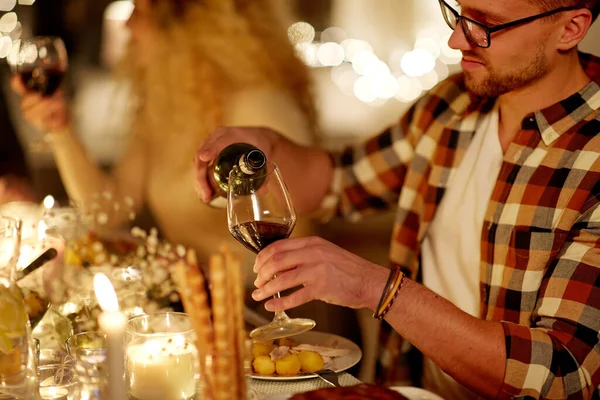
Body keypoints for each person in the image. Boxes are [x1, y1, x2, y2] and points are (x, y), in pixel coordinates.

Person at [195, 0, 600, 398]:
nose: (457, 39)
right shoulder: (452, 102)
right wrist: (268, 145)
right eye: (457, 13)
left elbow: (561, 376)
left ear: (571, 28)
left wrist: (376, 288)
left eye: (487, 24)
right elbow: (340, 179)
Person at [11, 0, 317, 268]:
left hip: (280, 307)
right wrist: (60, 129)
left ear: (187, 24)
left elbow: (292, 232)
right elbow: (106, 211)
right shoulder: (162, 111)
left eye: (141, 10)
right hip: (202, 304)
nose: (128, 21)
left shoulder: (259, 105)